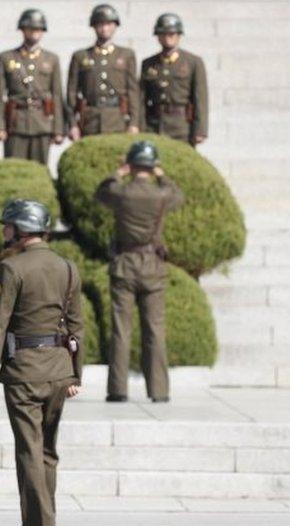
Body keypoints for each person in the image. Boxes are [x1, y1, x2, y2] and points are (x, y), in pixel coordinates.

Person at [0, 200, 83, 526]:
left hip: (24, 371)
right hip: (57, 370)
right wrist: (75, 375)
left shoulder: (11, 268)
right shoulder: (68, 267)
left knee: (29, 450)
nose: (4, 232)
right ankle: (35, 525)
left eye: (8, 227)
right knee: (48, 451)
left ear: (22, 230)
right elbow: (77, 327)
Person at [95, 141, 184, 403]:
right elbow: (177, 195)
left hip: (125, 263)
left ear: (131, 165)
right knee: (155, 331)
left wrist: (118, 173)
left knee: (121, 330)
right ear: (152, 165)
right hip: (152, 266)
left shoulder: (121, 193)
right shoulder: (161, 195)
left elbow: (102, 193)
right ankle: (159, 391)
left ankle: (118, 390)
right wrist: (162, 175)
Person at [0, 8, 66, 164]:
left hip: (42, 122)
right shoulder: (7, 58)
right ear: (23, 30)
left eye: (38, 29)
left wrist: (58, 129)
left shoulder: (51, 59)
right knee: (13, 170)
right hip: (15, 123)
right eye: (30, 28)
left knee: (40, 170)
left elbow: (57, 95)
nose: (34, 32)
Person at [66, 4, 140, 139]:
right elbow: (72, 92)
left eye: (109, 24)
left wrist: (134, 123)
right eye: (100, 24)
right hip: (89, 118)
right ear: (93, 26)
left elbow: (133, 91)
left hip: (117, 118)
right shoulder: (81, 56)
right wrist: (72, 124)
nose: (104, 28)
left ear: (115, 26)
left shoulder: (126, 55)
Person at [140, 13, 208, 146]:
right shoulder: (148, 63)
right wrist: (141, 125)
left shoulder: (193, 62)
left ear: (179, 36)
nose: (167, 38)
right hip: (155, 124)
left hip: (181, 125)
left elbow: (200, 98)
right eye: (163, 34)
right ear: (158, 37)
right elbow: (142, 97)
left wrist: (200, 130)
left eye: (171, 34)